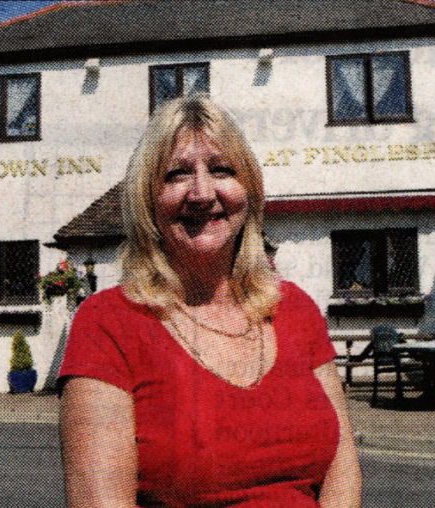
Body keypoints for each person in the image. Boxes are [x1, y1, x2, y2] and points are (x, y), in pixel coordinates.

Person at [58, 95, 362, 507]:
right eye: (177, 175)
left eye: (221, 170)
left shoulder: (295, 309)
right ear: (147, 200)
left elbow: (342, 469)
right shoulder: (108, 323)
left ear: (248, 189)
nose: (202, 193)